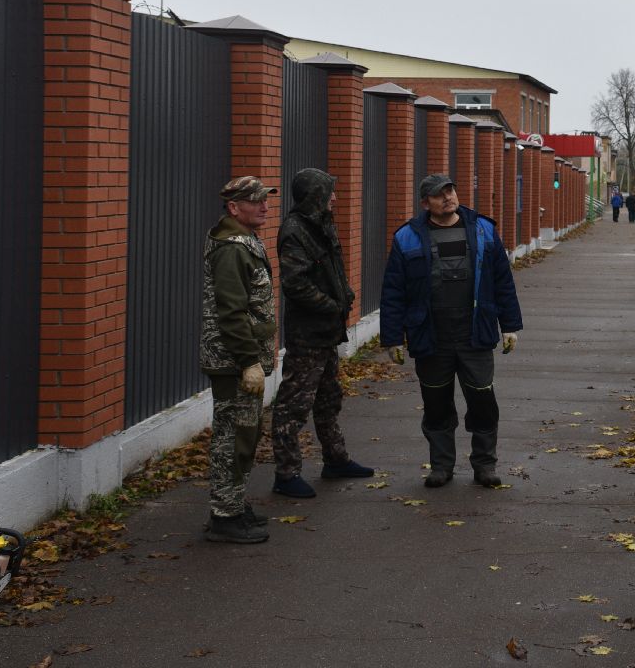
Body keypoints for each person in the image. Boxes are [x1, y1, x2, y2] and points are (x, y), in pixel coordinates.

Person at [381, 174, 523, 488]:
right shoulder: (407, 237)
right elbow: (393, 291)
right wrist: (392, 338)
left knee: (483, 403)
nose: (447, 197)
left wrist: (510, 325)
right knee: (436, 405)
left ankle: (484, 465)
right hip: (431, 336)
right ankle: (441, 466)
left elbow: (502, 280)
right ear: (424, 203)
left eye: (450, 191)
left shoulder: (483, 230)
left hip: (475, 332)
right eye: (438, 194)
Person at [269, 168, 373, 498]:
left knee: (328, 399)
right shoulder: (296, 230)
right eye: (329, 193)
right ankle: (286, 475)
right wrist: (331, 304)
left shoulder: (320, 223)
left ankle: (336, 459)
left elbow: (332, 268)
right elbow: (295, 284)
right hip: (308, 333)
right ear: (315, 195)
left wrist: (345, 295)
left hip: (327, 331)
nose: (335, 198)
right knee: (293, 405)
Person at [200, 175, 280, 544]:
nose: (265, 206)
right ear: (234, 208)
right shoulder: (231, 248)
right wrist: (248, 361)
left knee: (243, 433)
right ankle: (224, 516)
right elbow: (231, 312)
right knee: (234, 437)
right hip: (233, 361)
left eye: (265, 199)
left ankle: (232, 505)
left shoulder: (245, 241)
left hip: (242, 358)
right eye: (256, 201)